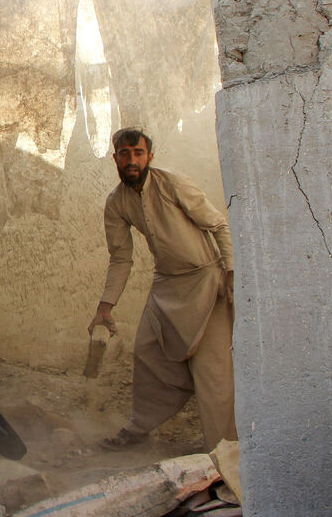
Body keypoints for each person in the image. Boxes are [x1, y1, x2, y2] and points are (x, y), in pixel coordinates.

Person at [88, 127, 237, 450]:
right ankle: (139, 429)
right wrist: (105, 306)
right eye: (124, 154)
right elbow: (121, 258)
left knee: (213, 371)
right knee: (147, 352)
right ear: (115, 158)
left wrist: (231, 271)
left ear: (149, 157)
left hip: (206, 282)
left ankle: (224, 451)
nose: (131, 161)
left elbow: (218, 224)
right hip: (166, 285)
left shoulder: (173, 184)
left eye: (138, 153)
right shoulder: (116, 202)